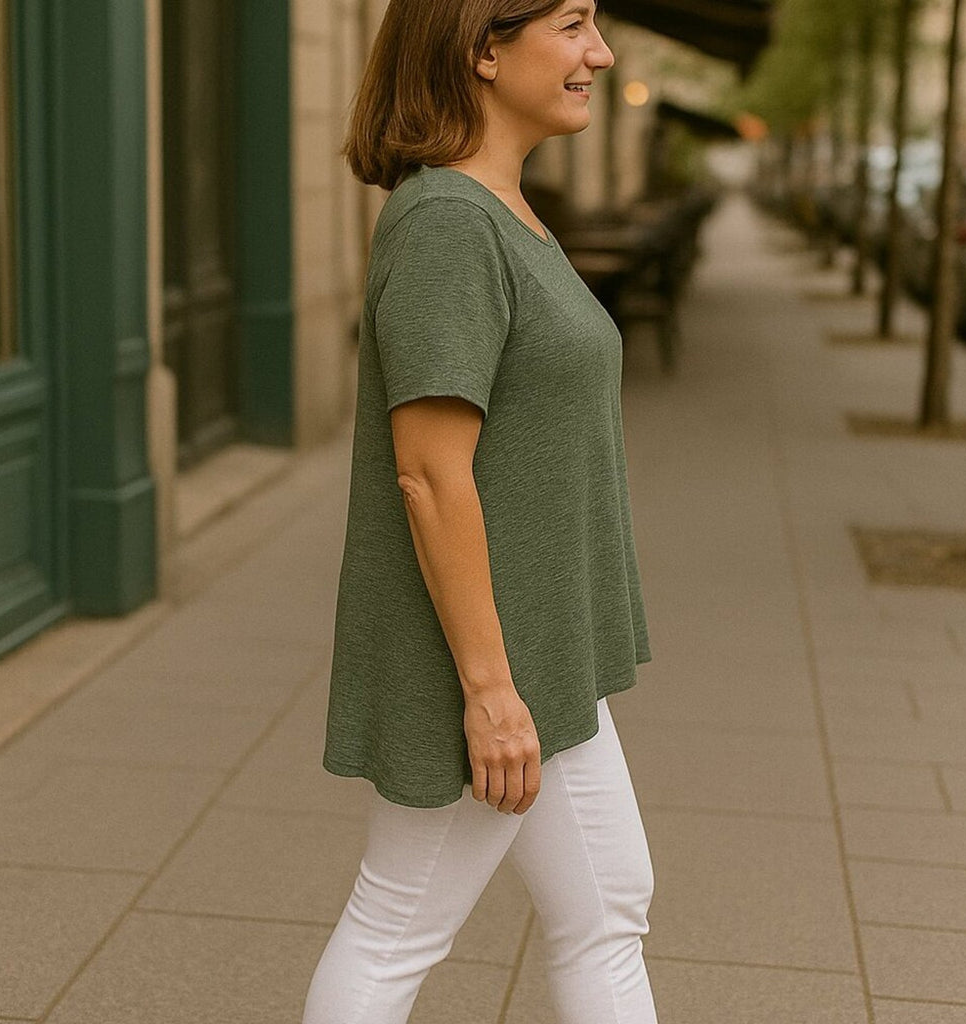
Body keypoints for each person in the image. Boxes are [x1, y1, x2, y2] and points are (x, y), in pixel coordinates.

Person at [302, 2, 657, 1022]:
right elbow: (428, 475)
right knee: (396, 926)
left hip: (545, 647)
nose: (600, 51)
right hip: (489, 662)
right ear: (483, 47)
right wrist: (491, 693)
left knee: (607, 905)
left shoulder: (503, 209)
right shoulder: (449, 223)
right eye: (575, 23)